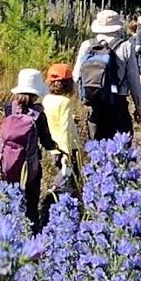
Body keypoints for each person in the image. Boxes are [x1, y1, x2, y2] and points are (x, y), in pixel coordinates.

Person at [0, 68, 59, 228]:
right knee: (31, 206)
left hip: (6, 165)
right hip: (30, 167)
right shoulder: (38, 114)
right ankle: (31, 237)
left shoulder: (8, 108)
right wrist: (57, 147)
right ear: (36, 93)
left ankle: (4, 232)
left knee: (7, 201)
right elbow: (46, 142)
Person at [73, 9, 141, 142]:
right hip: (118, 104)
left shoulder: (87, 45)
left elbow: (76, 76)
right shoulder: (126, 46)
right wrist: (139, 107)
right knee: (120, 150)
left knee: (96, 146)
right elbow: (134, 80)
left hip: (94, 103)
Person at [41, 62, 83, 201]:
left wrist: (71, 118)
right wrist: (67, 155)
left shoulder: (47, 99)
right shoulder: (65, 102)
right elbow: (65, 129)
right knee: (69, 183)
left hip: (53, 148)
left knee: (62, 177)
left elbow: (52, 118)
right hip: (68, 149)